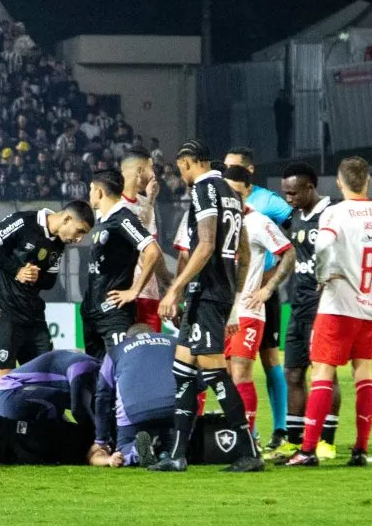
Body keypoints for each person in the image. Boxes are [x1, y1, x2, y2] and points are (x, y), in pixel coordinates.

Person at [285, 157, 372, 467]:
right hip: (370, 308)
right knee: (364, 375)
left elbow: (322, 246)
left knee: (322, 373)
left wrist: (323, 274)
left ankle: (307, 450)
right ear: (368, 182)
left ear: (339, 182)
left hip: (337, 306)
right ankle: (360, 449)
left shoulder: (335, 213)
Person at [150, 139, 263, 473]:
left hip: (207, 291)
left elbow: (206, 246)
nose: (180, 174)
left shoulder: (204, 190)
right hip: (217, 292)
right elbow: (243, 252)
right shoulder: (232, 192)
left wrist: (175, 290)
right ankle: (177, 454)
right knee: (182, 370)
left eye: (180, 167)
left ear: (188, 163)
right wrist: (234, 301)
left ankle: (248, 452)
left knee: (215, 373)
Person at [0, 202, 94, 409]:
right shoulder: (23, 222)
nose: (79, 239)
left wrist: (35, 275)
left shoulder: (59, 244)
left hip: (34, 317)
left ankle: (40, 431)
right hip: (6, 312)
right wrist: (17, 270)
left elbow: (49, 281)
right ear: (67, 219)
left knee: (45, 375)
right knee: (3, 376)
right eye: (80, 231)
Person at [224, 147, 295, 453]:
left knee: (268, 361)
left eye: (233, 167)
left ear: (248, 173)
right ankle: (224, 437)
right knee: (222, 371)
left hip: (259, 294)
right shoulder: (218, 210)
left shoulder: (266, 204)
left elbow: (296, 231)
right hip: (227, 302)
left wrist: (269, 285)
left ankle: (277, 429)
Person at [278, 161, 340, 460]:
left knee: (325, 374)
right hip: (298, 304)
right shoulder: (296, 216)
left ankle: (327, 440)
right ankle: (293, 439)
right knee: (292, 372)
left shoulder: (331, 214)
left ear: (310, 188)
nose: (288, 199)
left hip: (325, 305)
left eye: (293, 193)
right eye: (285, 194)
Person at [82, 169, 163, 359]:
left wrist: (134, 290)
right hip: (93, 313)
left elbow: (153, 251)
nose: (90, 194)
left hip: (113, 315)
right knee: (96, 375)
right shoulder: (103, 220)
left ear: (99, 192)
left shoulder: (123, 218)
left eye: (91, 189)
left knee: (118, 372)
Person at [95, 324, 179, 467]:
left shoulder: (115, 351)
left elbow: (103, 394)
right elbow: (198, 382)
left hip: (135, 411)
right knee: (175, 422)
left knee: (124, 446)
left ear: (128, 339)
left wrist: (101, 440)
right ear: (155, 333)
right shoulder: (173, 341)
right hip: (173, 406)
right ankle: (174, 447)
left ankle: (133, 451)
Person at [120, 147, 172, 331]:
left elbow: (153, 249)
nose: (154, 175)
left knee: (151, 354)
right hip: (125, 295)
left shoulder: (145, 204)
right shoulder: (114, 204)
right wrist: (150, 199)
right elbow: (138, 240)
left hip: (150, 295)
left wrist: (168, 285)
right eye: (151, 168)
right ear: (140, 170)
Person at [0, 350, 100, 426]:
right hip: (10, 394)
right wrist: (102, 439)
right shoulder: (85, 369)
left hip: (26, 398)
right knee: (61, 400)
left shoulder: (97, 370)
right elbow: (79, 412)